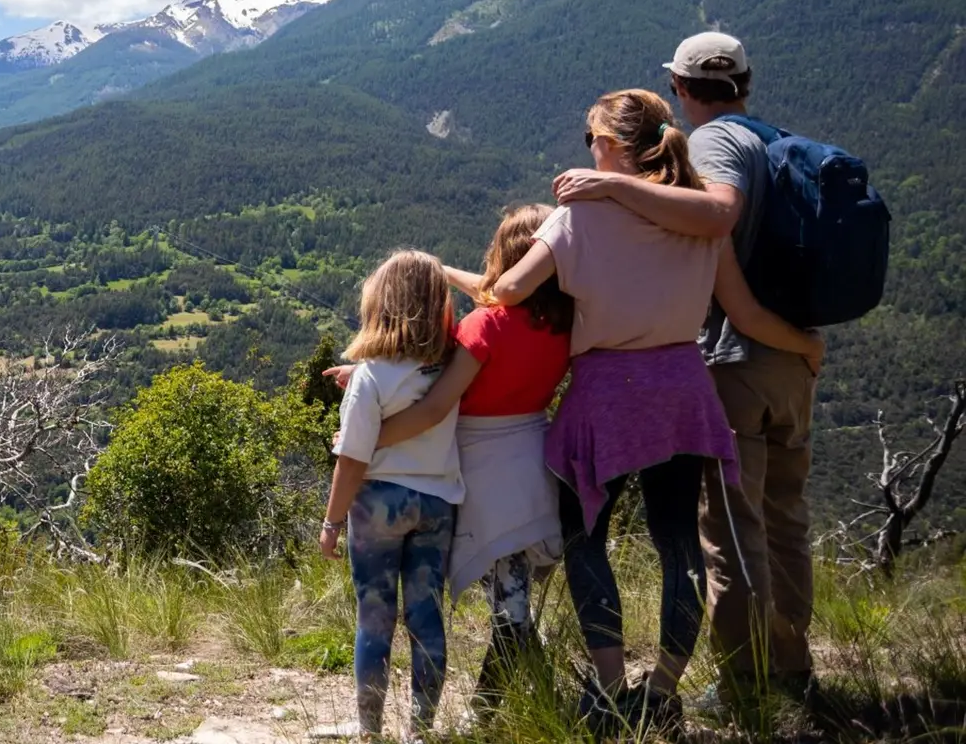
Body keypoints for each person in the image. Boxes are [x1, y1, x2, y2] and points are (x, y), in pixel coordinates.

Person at [493, 88, 823, 734]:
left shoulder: (577, 218)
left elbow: (509, 289)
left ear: (607, 146)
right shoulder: (698, 222)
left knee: (585, 537)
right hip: (682, 390)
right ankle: (663, 690)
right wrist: (804, 345)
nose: (588, 150)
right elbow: (745, 312)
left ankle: (611, 690)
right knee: (678, 541)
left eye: (591, 140)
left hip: (605, 394)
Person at [357, 205, 573, 721]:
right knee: (513, 594)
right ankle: (526, 702)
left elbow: (434, 407)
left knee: (509, 606)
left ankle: (486, 712)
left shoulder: (485, 325)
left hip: (485, 467)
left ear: (505, 256)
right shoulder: (565, 324)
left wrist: (366, 442)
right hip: (536, 459)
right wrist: (443, 270)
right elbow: (499, 293)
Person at [318, 249, 464, 740]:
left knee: (374, 621)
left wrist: (331, 523)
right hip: (438, 502)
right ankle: (421, 730)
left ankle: (370, 731)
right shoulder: (449, 369)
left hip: (378, 504)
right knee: (426, 617)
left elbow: (352, 459)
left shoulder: (370, 376)